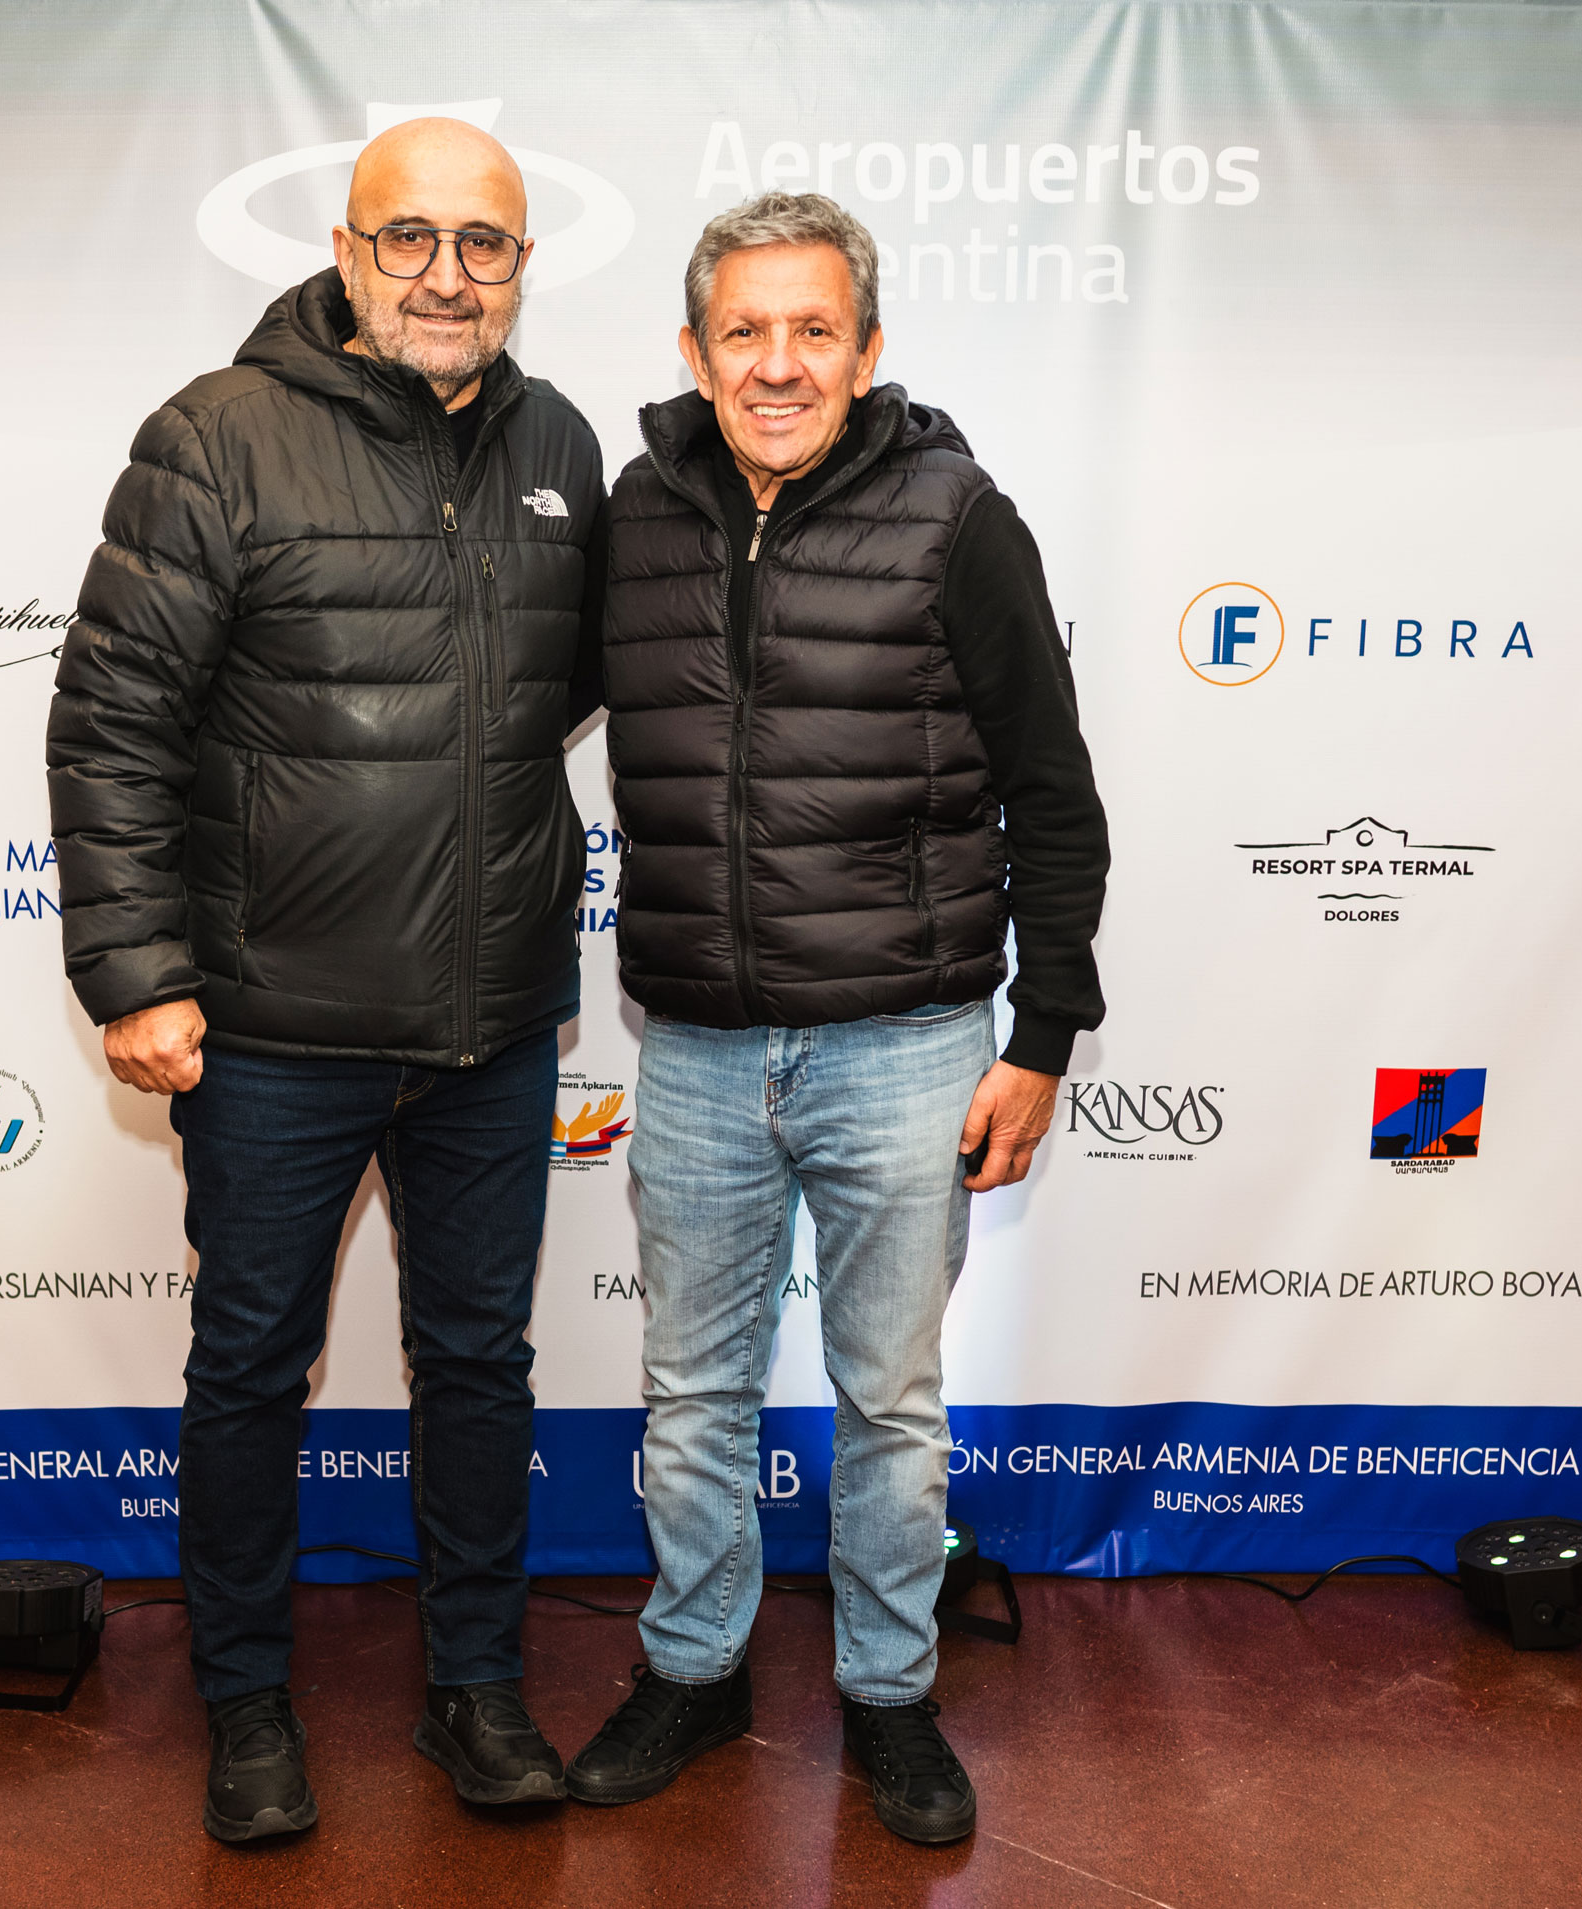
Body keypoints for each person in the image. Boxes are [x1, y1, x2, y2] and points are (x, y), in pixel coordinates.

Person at [45, 116, 605, 1844]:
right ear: (349, 254)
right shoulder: (216, 438)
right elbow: (113, 721)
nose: (446, 274)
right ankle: (245, 1702)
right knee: (248, 1371)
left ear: (523, 265)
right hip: (274, 1030)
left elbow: (567, 686)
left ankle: (475, 1687)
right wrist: (136, 971)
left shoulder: (561, 444)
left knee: (480, 1367)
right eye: (408, 237)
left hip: (494, 1024)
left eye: (483, 243)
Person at [564, 192, 1109, 1845]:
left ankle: (889, 1691)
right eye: (745, 331)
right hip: (698, 1049)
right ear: (694, 350)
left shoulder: (959, 517)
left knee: (889, 1403)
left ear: (867, 353)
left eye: (815, 331)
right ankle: (693, 1667)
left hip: (907, 1044)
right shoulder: (637, 516)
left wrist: (1044, 1035)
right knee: (692, 1395)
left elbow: (1053, 793)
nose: (779, 364)